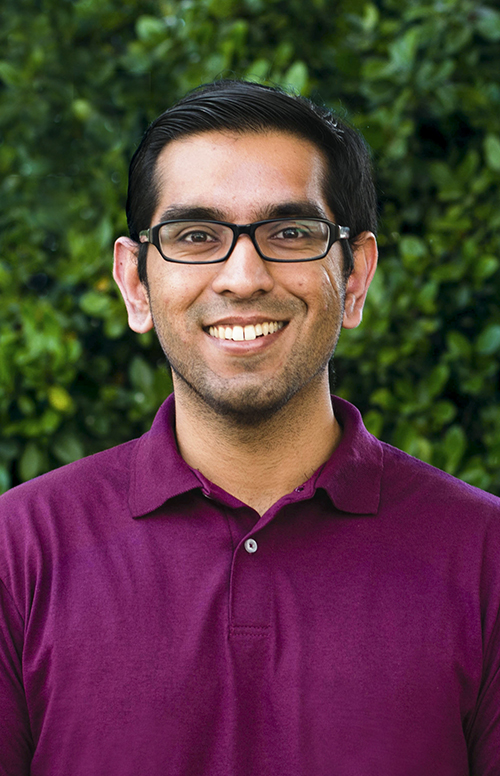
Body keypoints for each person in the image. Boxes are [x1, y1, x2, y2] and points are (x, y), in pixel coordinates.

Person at [1, 79, 499, 776]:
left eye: (290, 233)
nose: (242, 276)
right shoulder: (16, 553)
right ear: (136, 284)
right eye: (196, 236)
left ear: (354, 278)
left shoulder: (487, 558)